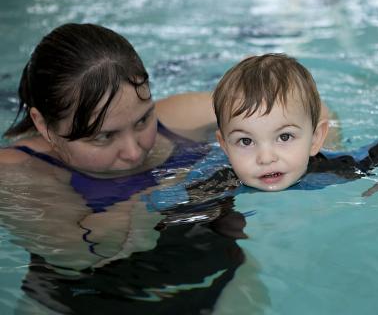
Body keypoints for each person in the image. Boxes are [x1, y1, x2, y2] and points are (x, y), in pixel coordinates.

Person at [0, 23, 257, 314]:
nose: (134, 151)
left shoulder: (185, 120)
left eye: (143, 120)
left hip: (219, 278)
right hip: (78, 302)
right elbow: (75, 256)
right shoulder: (21, 171)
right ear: (44, 126)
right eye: (103, 136)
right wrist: (169, 192)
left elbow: (304, 122)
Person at [212, 53, 378, 194]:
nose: (265, 158)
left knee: (333, 141)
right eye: (245, 141)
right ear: (224, 146)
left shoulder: (334, 167)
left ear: (315, 139)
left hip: (324, 146)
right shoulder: (220, 181)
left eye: (284, 137)